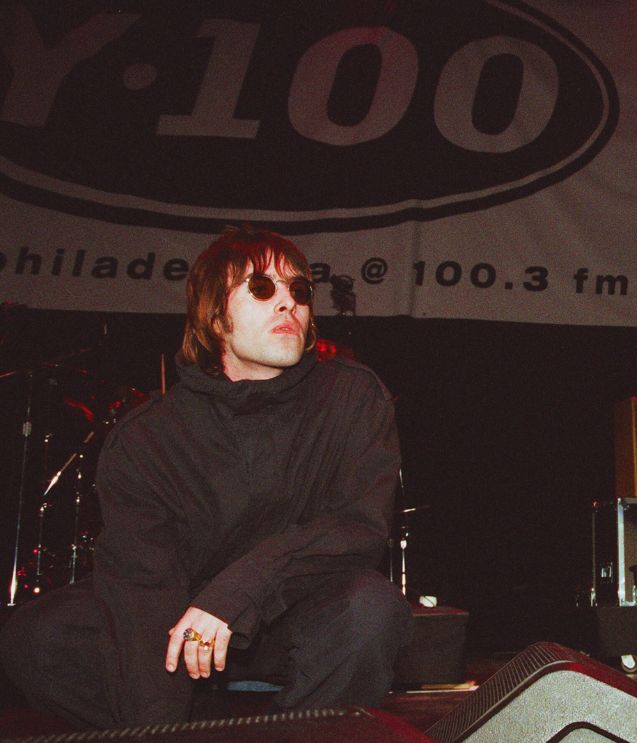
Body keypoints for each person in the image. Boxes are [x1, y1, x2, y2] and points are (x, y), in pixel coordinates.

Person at [0, 226, 412, 728]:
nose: (288, 302)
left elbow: (356, 528)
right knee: (38, 637)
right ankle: (199, 730)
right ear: (215, 317)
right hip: (177, 627)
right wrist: (162, 728)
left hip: (292, 617)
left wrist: (235, 596)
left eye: (299, 290)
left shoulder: (351, 397)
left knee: (370, 608)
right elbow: (142, 594)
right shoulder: (148, 437)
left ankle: (288, 736)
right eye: (262, 288)